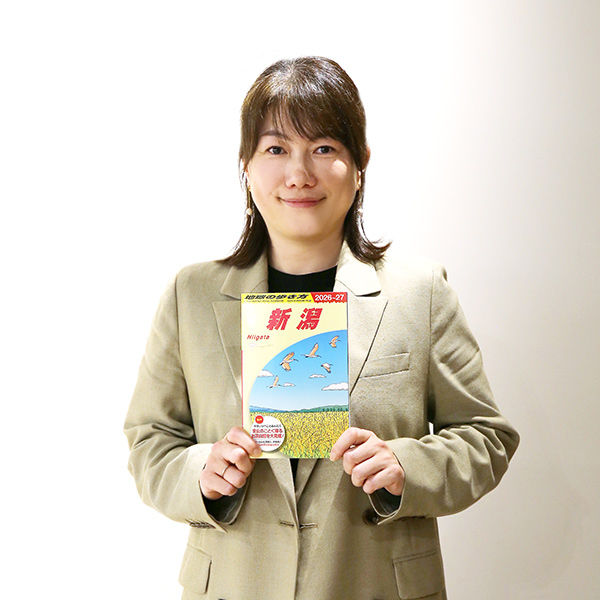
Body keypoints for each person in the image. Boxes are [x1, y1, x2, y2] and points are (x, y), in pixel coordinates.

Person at [124, 56, 519, 600]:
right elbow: (149, 440)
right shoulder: (189, 295)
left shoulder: (421, 292)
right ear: (246, 164)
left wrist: (406, 465)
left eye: (324, 148)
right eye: (276, 149)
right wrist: (201, 473)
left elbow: (486, 437)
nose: (299, 174)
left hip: (374, 585)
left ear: (360, 164)